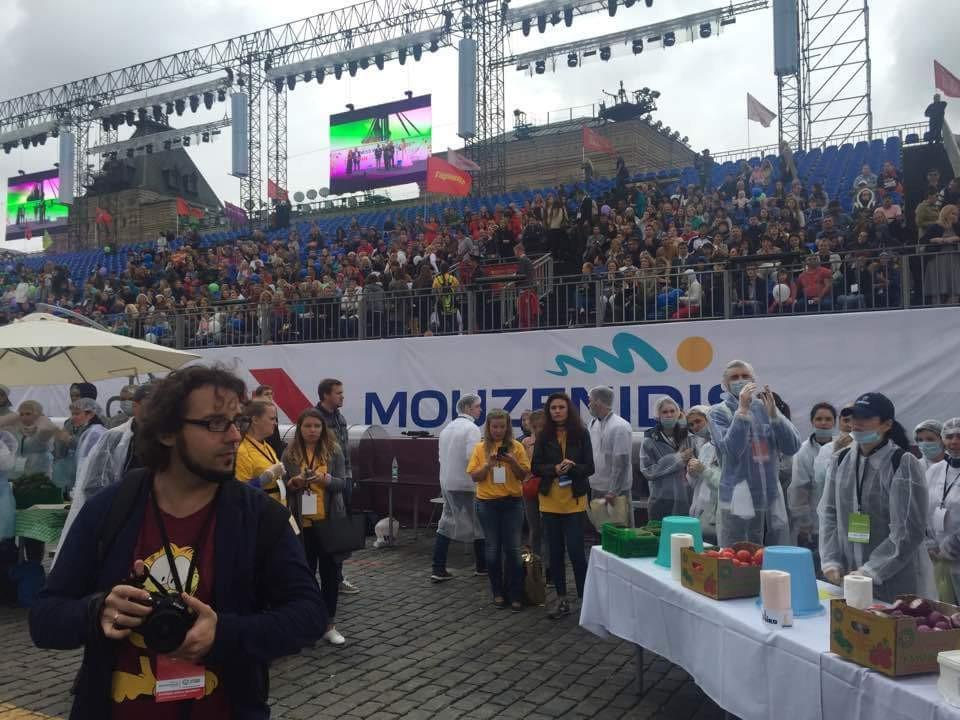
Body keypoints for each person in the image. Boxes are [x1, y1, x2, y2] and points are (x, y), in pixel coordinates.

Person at [31, 365, 326, 718]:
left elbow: (309, 616)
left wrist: (224, 633)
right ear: (167, 432)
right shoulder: (110, 509)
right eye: (216, 423)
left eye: (238, 421)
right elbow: (45, 619)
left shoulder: (261, 517)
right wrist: (97, 611)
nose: (235, 436)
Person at [818, 392, 932, 602]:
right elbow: (829, 513)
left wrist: (872, 570)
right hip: (848, 574)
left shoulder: (902, 463)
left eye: (866, 417)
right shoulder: (840, 460)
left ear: (886, 424)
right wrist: (830, 560)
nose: (857, 423)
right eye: (854, 416)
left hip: (893, 579)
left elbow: (908, 530)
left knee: (889, 619)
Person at [56, 384, 155, 565]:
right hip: (120, 518)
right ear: (137, 406)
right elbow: (95, 485)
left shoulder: (171, 437)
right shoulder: (115, 436)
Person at [708, 360, 801, 547]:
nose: (740, 380)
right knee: (737, 555)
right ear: (725, 384)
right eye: (734, 377)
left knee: (773, 555)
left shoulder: (765, 408)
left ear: (753, 380)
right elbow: (731, 450)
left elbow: (792, 446)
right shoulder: (718, 412)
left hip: (770, 499)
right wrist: (742, 411)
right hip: (737, 500)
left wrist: (775, 417)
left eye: (745, 376)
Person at [282, 408, 349, 645]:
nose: (312, 430)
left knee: (330, 575)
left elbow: (343, 483)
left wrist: (324, 479)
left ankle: (329, 624)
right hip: (303, 525)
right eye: (307, 426)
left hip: (328, 522)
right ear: (300, 429)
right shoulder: (290, 454)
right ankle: (307, 623)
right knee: (305, 576)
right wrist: (294, 483)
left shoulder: (334, 451)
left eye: (317, 426)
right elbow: (284, 487)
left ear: (323, 429)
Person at [532, 392, 594, 619]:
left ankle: (586, 600)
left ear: (569, 410)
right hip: (550, 503)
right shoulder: (544, 436)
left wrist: (573, 466)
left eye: (561, 407)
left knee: (577, 553)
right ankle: (561, 599)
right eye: (553, 408)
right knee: (555, 553)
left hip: (574, 503)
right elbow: (535, 467)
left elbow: (590, 467)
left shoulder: (581, 433)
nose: (557, 411)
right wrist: (554, 469)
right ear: (549, 412)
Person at [467, 409, 530, 611]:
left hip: (513, 503)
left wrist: (512, 462)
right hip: (487, 504)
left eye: (502, 426)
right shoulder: (480, 448)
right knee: (492, 549)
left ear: (507, 427)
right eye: (494, 426)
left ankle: (515, 593)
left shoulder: (517, 447)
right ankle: (497, 592)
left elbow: (523, 475)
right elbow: (474, 476)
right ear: (488, 427)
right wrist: (488, 465)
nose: (498, 430)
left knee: (513, 549)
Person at [431, 394, 486, 582]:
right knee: (479, 524)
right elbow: (472, 457)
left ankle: (438, 568)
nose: (480, 409)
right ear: (468, 408)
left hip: (447, 483)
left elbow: (441, 458)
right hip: (467, 484)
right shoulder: (472, 429)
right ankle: (482, 566)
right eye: (478, 406)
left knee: (445, 523)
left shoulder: (447, 429)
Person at [316, 378, 359, 595]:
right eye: (338, 393)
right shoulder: (315, 419)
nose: (342, 396)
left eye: (342, 392)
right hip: (323, 481)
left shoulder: (340, 418)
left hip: (343, 478)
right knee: (321, 531)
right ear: (325, 395)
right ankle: (319, 579)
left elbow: (344, 450)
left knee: (339, 530)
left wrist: (348, 476)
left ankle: (337, 577)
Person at [788, 403, 837, 553]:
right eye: (819, 419)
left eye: (828, 419)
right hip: (812, 525)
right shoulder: (803, 451)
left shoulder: (841, 448)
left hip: (838, 522)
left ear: (834, 422)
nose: (823, 423)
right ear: (812, 422)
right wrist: (804, 523)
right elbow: (799, 489)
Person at [585, 386, 633, 530]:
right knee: (602, 531)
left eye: (590, 400)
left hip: (616, 491)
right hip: (596, 487)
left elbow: (621, 463)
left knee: (620, 532)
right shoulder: (593, 423)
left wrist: (613, 491)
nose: (588, 404)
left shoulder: (619, 426)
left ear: (598, 402)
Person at [640, 397, 695, 521]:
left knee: (683, 531)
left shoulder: (688, 437)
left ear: (679, 413)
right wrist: (678, 459)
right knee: (660, 530)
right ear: (658, 416)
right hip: (661, 498)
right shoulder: (650, 440)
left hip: (686, 497)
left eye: (672, 411)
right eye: (664, 412)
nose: (669, 415)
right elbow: (647, 471)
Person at [927, 417, 960, 603]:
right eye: (949, 436)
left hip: (953, 556)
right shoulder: (935, 470)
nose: (954, 441)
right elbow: (921, 509)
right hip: (936, 560)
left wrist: (950, 547)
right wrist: (929, 543)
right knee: (944, 613)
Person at [52, 398, 107, 494]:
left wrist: (69, 440)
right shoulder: (82, 429)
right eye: (72, 414)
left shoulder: (95, 432)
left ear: (90, 414)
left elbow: (89, 456)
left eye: (77, 414)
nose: (73, 417)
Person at [235, 400, 285, 504]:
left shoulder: (267, 446)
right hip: (260, 509)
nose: (275, 423)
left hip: (276, 507)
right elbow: (239, 492)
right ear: (255, 420)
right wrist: (265, 478)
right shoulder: (242, 451)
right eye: (272, 419)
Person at [685, 405, 720, 544]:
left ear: (709, 419)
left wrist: (704, 470)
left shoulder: (725, 447)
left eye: (698, 421)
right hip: (700, 507)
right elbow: (696, 484)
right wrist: (691, 472)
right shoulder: (706, 447)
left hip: (716, 511)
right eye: (691, 425)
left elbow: (724, 483)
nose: (695, 426)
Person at [521, 409, 547, 564]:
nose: (538, 429)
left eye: (541, 426)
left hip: (548, 488)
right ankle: (534, 565)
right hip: (530, 488)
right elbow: (524, 467)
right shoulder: (525, 443)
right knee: (534, 528)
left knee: (549, 528)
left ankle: (550, 565)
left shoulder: (553, 442)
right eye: (535, 426)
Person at [252, 384, 286, 458]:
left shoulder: (273, 408)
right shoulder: (254, 410)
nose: (270, 396)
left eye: (271, 394)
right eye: (266, 394)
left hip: (274, 444)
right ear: (258, 397)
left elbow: (276, 431)